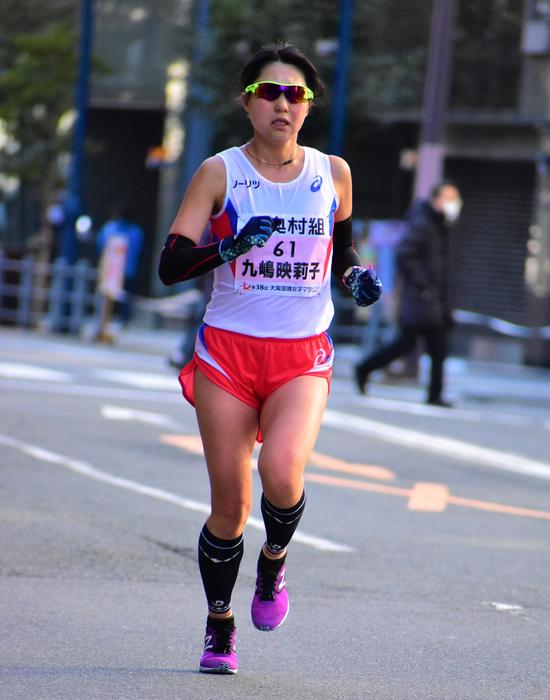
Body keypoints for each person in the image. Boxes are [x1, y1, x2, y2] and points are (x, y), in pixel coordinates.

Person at [158, 42, 382, 675]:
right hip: (228, 353)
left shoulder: (331, 173)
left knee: (282, 471)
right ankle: (219, 623)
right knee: (230, 504)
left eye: (297, 94)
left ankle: (274, 562)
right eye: (271, 92)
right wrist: (227, 247)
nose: (284, 103)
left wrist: (356, 278)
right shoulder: (219, 173)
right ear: (248, 101)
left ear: (307, 108)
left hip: (301, 354)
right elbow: (170, 264)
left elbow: (341, 251)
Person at [354, 181, 463, 407]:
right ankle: (364, 368)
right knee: (408, 343)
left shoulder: (442, 225)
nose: (454, 204)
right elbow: (405, 255)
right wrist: (424, 285)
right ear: (437, 199)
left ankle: (434, 394)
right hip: (422, 299)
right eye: (449, 198)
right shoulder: (424, 224)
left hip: (435, 299)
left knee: (435, 346)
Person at [96, 203, 144, 325]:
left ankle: (105, 321)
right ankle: (123, 322)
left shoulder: (109, 228)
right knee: (125, 299)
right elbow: (138, 250)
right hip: (128, 270)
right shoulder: (136, 231)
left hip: (110, 269)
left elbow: (100, 246)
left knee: (107, 298)